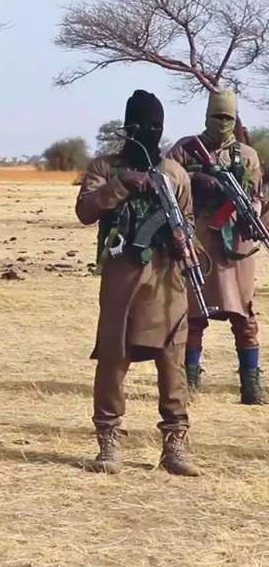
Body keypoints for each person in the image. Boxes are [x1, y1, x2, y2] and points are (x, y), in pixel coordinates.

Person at [75, 90, 199, 476]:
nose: (149, 134)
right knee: (113, 358)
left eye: (155, 128)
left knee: (172, 361)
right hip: (121, 277)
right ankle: (108, 439)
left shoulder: (175, 173)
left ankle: (175, 444)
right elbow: (85, 211)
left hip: (166, 281)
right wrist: (123, 184)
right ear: (128, 129)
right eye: (143, 127)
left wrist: (182, 238)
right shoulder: (105, 168)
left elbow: (189, 222)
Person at [166, 89, 265, 404]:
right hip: (199, 240)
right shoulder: (185, 149)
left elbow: (257, 194)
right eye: (217, 116)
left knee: (244, 315)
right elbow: (166, 184)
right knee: (194, 314)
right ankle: (189, 384)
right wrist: (196, 182)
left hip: (235, 245)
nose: (222, 122)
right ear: (207, 116)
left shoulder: (247, 155)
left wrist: (251, 211)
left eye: (227, 117)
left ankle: (251, 386)